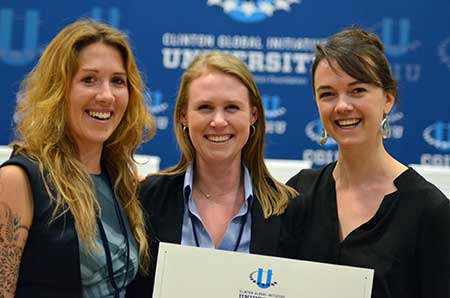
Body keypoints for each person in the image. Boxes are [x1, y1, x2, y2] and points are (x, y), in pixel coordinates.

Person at [286, 28, 450, 297]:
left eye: (357, 90)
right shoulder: (298, 194)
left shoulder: (429, 211)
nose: (342, 106)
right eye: (327, 94)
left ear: (388, 99)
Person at [0, 19, 155, 298]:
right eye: (88, 80)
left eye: (117, 81)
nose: (106, 96)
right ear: (58, 90)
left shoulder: (120, 182)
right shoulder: (18, 180)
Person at [126, 51, 299, 296]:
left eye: (232, 107)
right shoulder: (146, 198)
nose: (218, 121)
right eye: (205, 107)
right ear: (184, 116)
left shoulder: (288, 209)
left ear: (253, 115)